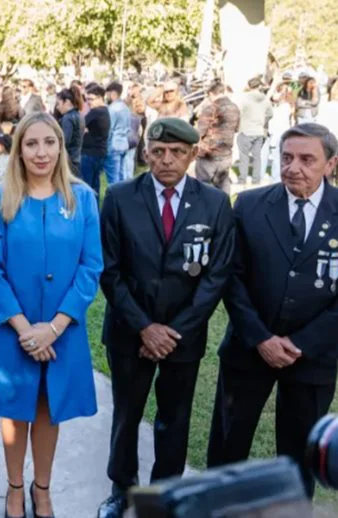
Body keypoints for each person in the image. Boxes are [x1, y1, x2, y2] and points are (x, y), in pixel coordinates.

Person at [96, 118, 235, 518]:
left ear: (193, 155)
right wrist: (145, 327)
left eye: (177, 152)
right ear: (145, 153)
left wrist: (172, 332)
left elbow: (216, 276)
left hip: (183, 337)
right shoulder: (120, 197)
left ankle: (165, 491)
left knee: (175, 418)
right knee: (126, 415)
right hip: (129, 333)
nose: (167, 160)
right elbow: (111, 270)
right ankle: (122, 488)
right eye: (158, 152)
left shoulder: (213, 202)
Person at [0, 111, 103, 518]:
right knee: (14, 408)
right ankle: (15, 487)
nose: (41, 152)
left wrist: (55, 326)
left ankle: (41, 488)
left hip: (60, 331)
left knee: (49, 407)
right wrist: (26, 328)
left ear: (61, 147)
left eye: (49, 142)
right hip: (13, 330)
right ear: (18, 149)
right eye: (31, 143)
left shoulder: (81, 198)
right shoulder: (0, 198)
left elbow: (90, 266)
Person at [208, 123, 338, 497]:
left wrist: (302, 343)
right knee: (227, 447)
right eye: (286, 157)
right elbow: (230, 277)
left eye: (306, 159)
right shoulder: (249, 205)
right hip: (249, 351)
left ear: (330, 164)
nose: (293, 167)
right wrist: (261, 338)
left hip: (312, 359)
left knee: (300, 456)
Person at [195, 83, 240, 194]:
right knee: (223, 183)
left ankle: (204, 208)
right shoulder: (235, 107)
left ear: (211, 94)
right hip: (226, 151)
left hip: (208, 152)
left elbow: (199, 132)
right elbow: (237, 128)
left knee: (203, 185)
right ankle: (225, 207)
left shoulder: (211, 107)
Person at [81, 85, 110, 197]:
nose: (88, 102)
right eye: (86, 99)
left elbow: (80, 124)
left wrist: (85, 130)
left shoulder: (96, 112)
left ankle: (90, 211)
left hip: (90, 154)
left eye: (91, 99)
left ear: (100, 98)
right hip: (98, 153)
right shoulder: (104, 111)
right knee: (94, 186)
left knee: (87, 187)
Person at [105, 82, 131, 186]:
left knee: (113, 179)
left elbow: (109, 129)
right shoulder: (125, 107)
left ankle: (114, 201)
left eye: (107, 94)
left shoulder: (112, 108)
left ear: (113, 93)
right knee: (121, 176)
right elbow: (129, 127)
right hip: (124, 144)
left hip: (114, 145)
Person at [56, 88, 84, 177]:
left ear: (67, 102)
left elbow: (65, 140)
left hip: (69, 160)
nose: (57, 107)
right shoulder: (79, 115)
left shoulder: (67, 118)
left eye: (59, 103)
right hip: (76, 158)